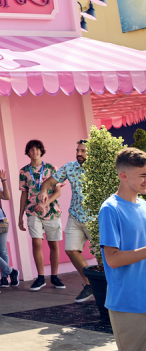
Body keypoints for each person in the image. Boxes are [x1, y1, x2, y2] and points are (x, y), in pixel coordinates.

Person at [99, 147, 146, 351]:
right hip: (128, 304)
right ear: (123, 176)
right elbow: (113, 259)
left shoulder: (144, 205)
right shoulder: (110, 209)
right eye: (143, 175)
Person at [39, 140, 94, 302]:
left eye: (83, 151)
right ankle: (90, 284)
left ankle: (109, 288)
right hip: (75, 216)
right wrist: (43, 192)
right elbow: (48, 183)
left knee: (102, 255)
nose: (79, 153)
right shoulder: (70, 167)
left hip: (95, 219)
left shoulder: (99, 168)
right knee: (70, 250)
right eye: (78, 150)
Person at [17, 139, 64, 292]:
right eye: (31, 149)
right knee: (36, 242)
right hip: (32, 211)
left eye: (37, 149)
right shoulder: (24, 171)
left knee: (53, 244)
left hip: (51, 211)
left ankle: (55, 276)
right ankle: (41, 277)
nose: (35, 151)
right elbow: (24, 194)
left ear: (41, 151)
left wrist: (45, 203)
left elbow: (58, 191)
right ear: (28, 152)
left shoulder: (51, 168)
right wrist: (20, 216)